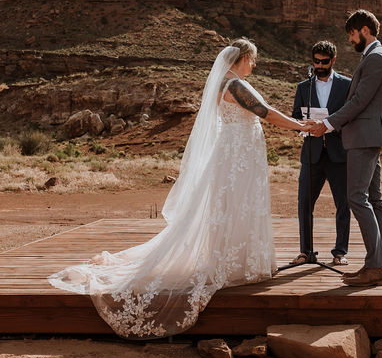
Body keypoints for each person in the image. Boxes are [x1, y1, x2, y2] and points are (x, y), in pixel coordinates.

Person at [49, 38, 306, 338]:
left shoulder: (224, 83)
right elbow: (266, 112)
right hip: (239, 154)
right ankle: (235, 264)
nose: (255, 65)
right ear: (243, 57)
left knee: (233, 207)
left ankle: (236, 260)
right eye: (253, 59)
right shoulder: (235, 85)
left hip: (237, 154)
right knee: (236, 205)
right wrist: (301, 126)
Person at [304, 10, 382, 287]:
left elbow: (358, 102)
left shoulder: (377, 59)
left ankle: (375, 266)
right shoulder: (374, 57)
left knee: (356, 197)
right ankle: (378, 259)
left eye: (352, 35)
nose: (351, 40)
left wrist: (327, 125)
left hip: (364, 138)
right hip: (369, 136)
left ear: (364, 30)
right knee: (375, 199)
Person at [290, 40, 352, 267]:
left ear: (333, 60)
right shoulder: (302, 87)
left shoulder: (347, 85)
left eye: (325, 62)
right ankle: (306, 252)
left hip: (339, 153)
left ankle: (340, 252)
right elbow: (295, 117)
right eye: (316, 61)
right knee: (304, 203)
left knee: (343, 204)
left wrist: (328, 124)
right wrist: (303, 125)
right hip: (311, 154)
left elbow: (352, 117)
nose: (320, 65)